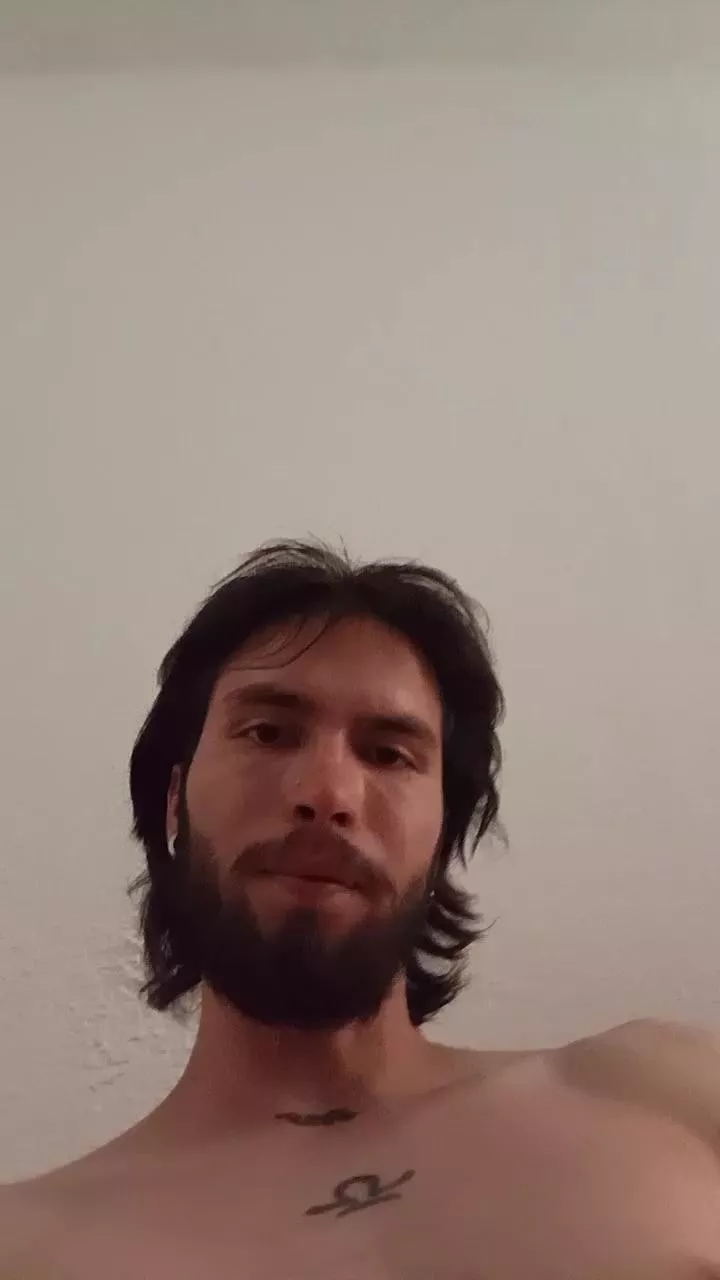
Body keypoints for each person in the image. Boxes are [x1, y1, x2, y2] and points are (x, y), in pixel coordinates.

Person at [2, 539, 720, 1280]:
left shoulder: (669, 1094)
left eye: (388, 753)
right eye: (268, 733)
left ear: (442, 833)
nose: (328, 793)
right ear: (174, 801)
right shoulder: (24, 1248)